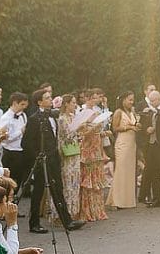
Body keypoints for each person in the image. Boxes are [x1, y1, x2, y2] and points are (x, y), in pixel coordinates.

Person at [23, 87, 82, 235]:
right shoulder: (34, 119)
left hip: (54, 158)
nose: (51, 99)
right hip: (42, 160)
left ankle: (67, 220)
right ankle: (34, 223)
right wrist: (37, 156)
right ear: (39, 102)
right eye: (47, 98)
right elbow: (26, 143)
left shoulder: (54, 115)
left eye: (51, 97)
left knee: (58, 189)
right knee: (38, 191)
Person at [76, 91, 108, 221]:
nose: (97, 100)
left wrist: (101, 131)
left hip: (96, 146)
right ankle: (87, 209)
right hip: (87, 147)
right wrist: (92, 127)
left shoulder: (97, 111)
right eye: (94, 97)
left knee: (96, 179)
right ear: (88, 98)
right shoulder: (82, 112)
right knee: (87, 178)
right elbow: (80, 132)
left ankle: (97, 209)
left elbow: (99, 129)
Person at [55, 93, 83, 222]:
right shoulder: (61, 119)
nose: (75, 105)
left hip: (75, 151)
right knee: (67, 182)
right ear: (66, 104)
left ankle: (74, 212)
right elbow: (66, 137)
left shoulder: (72, 117)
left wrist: (79, 134)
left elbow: (76, 135)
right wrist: (78, 128)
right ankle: (64, 214)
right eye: (72, 102)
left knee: (75, 181)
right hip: (66, 154)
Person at [110, 92, 140, 209]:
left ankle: (127, 199)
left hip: (131, 143)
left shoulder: (132, 111)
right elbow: (115, 128)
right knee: (121, 170)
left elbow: (135, 123)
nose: (131, 102)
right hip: (122, 143)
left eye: (132, 100)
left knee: (129, 171)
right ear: (123, 100)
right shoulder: (118, 112)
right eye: (129, 100)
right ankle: (117, 200)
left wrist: (137, 125)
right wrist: (129, 127)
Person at [0, 93, 31, 190]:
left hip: (21, 150)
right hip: (11, 152)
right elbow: (6, 139)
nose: (24, 107)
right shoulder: (5, 118)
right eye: (22, 104)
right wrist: (20, 131)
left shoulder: (23, 115)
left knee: (20, 177)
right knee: (10, 180)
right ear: (14, 103)